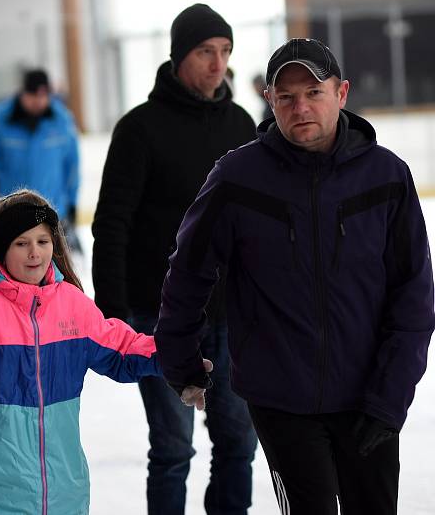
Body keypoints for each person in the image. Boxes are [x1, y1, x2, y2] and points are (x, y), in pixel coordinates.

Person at [154, 37, 435, 515]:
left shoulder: (387, 176)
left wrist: (391, 396)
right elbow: (187, 272)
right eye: (286, 97)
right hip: (280, 397)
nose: (300, 107)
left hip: (369, 394)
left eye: (314, 93)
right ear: (270, 100)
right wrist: (180, 358)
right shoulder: (237, 178)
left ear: (341, 93)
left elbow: (414, 297)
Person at [91, 3, 258, 515]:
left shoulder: (240, 122)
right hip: (161, 316)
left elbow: (258, 223)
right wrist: (113, 313)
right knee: (172, 448)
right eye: (206, 51)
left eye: (225, 51)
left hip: (232, 315)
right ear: (179, 56)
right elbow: (111, 224)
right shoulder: (139, 129)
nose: (218, 63)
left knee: (239, 442)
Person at [0, 189, 165, 514]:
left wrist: (181, 361)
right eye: (21, 243)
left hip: (65, 494)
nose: (34, 253)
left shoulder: (71, 304)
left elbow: (124, 350)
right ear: (2, 248)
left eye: (43, 241)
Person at [0, 69, 79, 221]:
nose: (38, 101)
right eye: (32, 96)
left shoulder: (62, 121)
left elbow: (72, 164)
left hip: (51, 211)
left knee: (47, 244)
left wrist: (72, 202)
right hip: (9, 212)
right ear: (22, 93)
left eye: (43, 96)